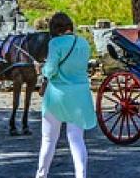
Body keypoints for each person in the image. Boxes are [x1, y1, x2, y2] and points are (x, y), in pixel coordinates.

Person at [36, 12, 96, 178]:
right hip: (80, 96)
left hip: (57, 96)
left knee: (48, 140)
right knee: (77, 141)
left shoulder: (55, 43)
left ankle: (41, 175)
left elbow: (50, 70)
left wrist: (41, 68)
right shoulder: (83, 43)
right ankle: (81, 175)